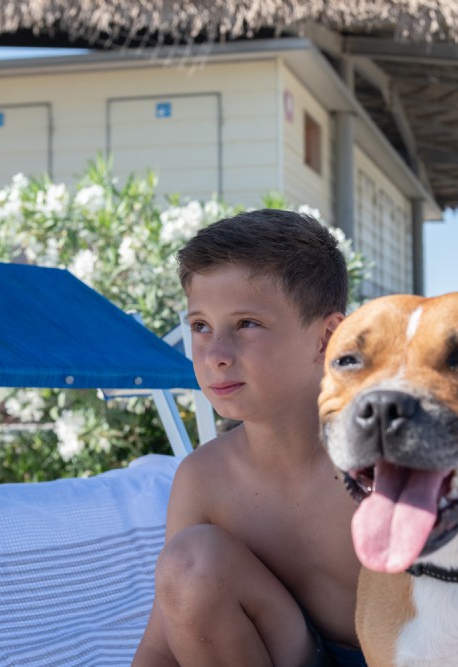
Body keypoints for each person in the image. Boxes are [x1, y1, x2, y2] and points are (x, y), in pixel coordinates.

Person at [132, 209, 365, 667]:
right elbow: (161, 646)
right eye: (200, 326)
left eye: (246, 324)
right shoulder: (205, 478)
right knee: (191, 565)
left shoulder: (385, 464)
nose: (215, 355)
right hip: (292, 652)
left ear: (327, 339)